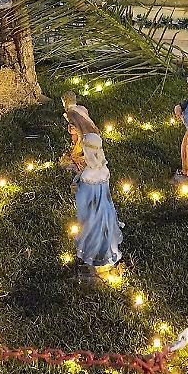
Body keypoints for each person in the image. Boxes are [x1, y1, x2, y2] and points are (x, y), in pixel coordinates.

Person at [64, 96, 123, 270]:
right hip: (106, 212)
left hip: (93, 214)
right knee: (106, 234)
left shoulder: (88, 174)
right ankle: (109, 255)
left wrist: (77, 187)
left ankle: (97, 259)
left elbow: (83, 199)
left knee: (95, 236)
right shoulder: (105, 170)